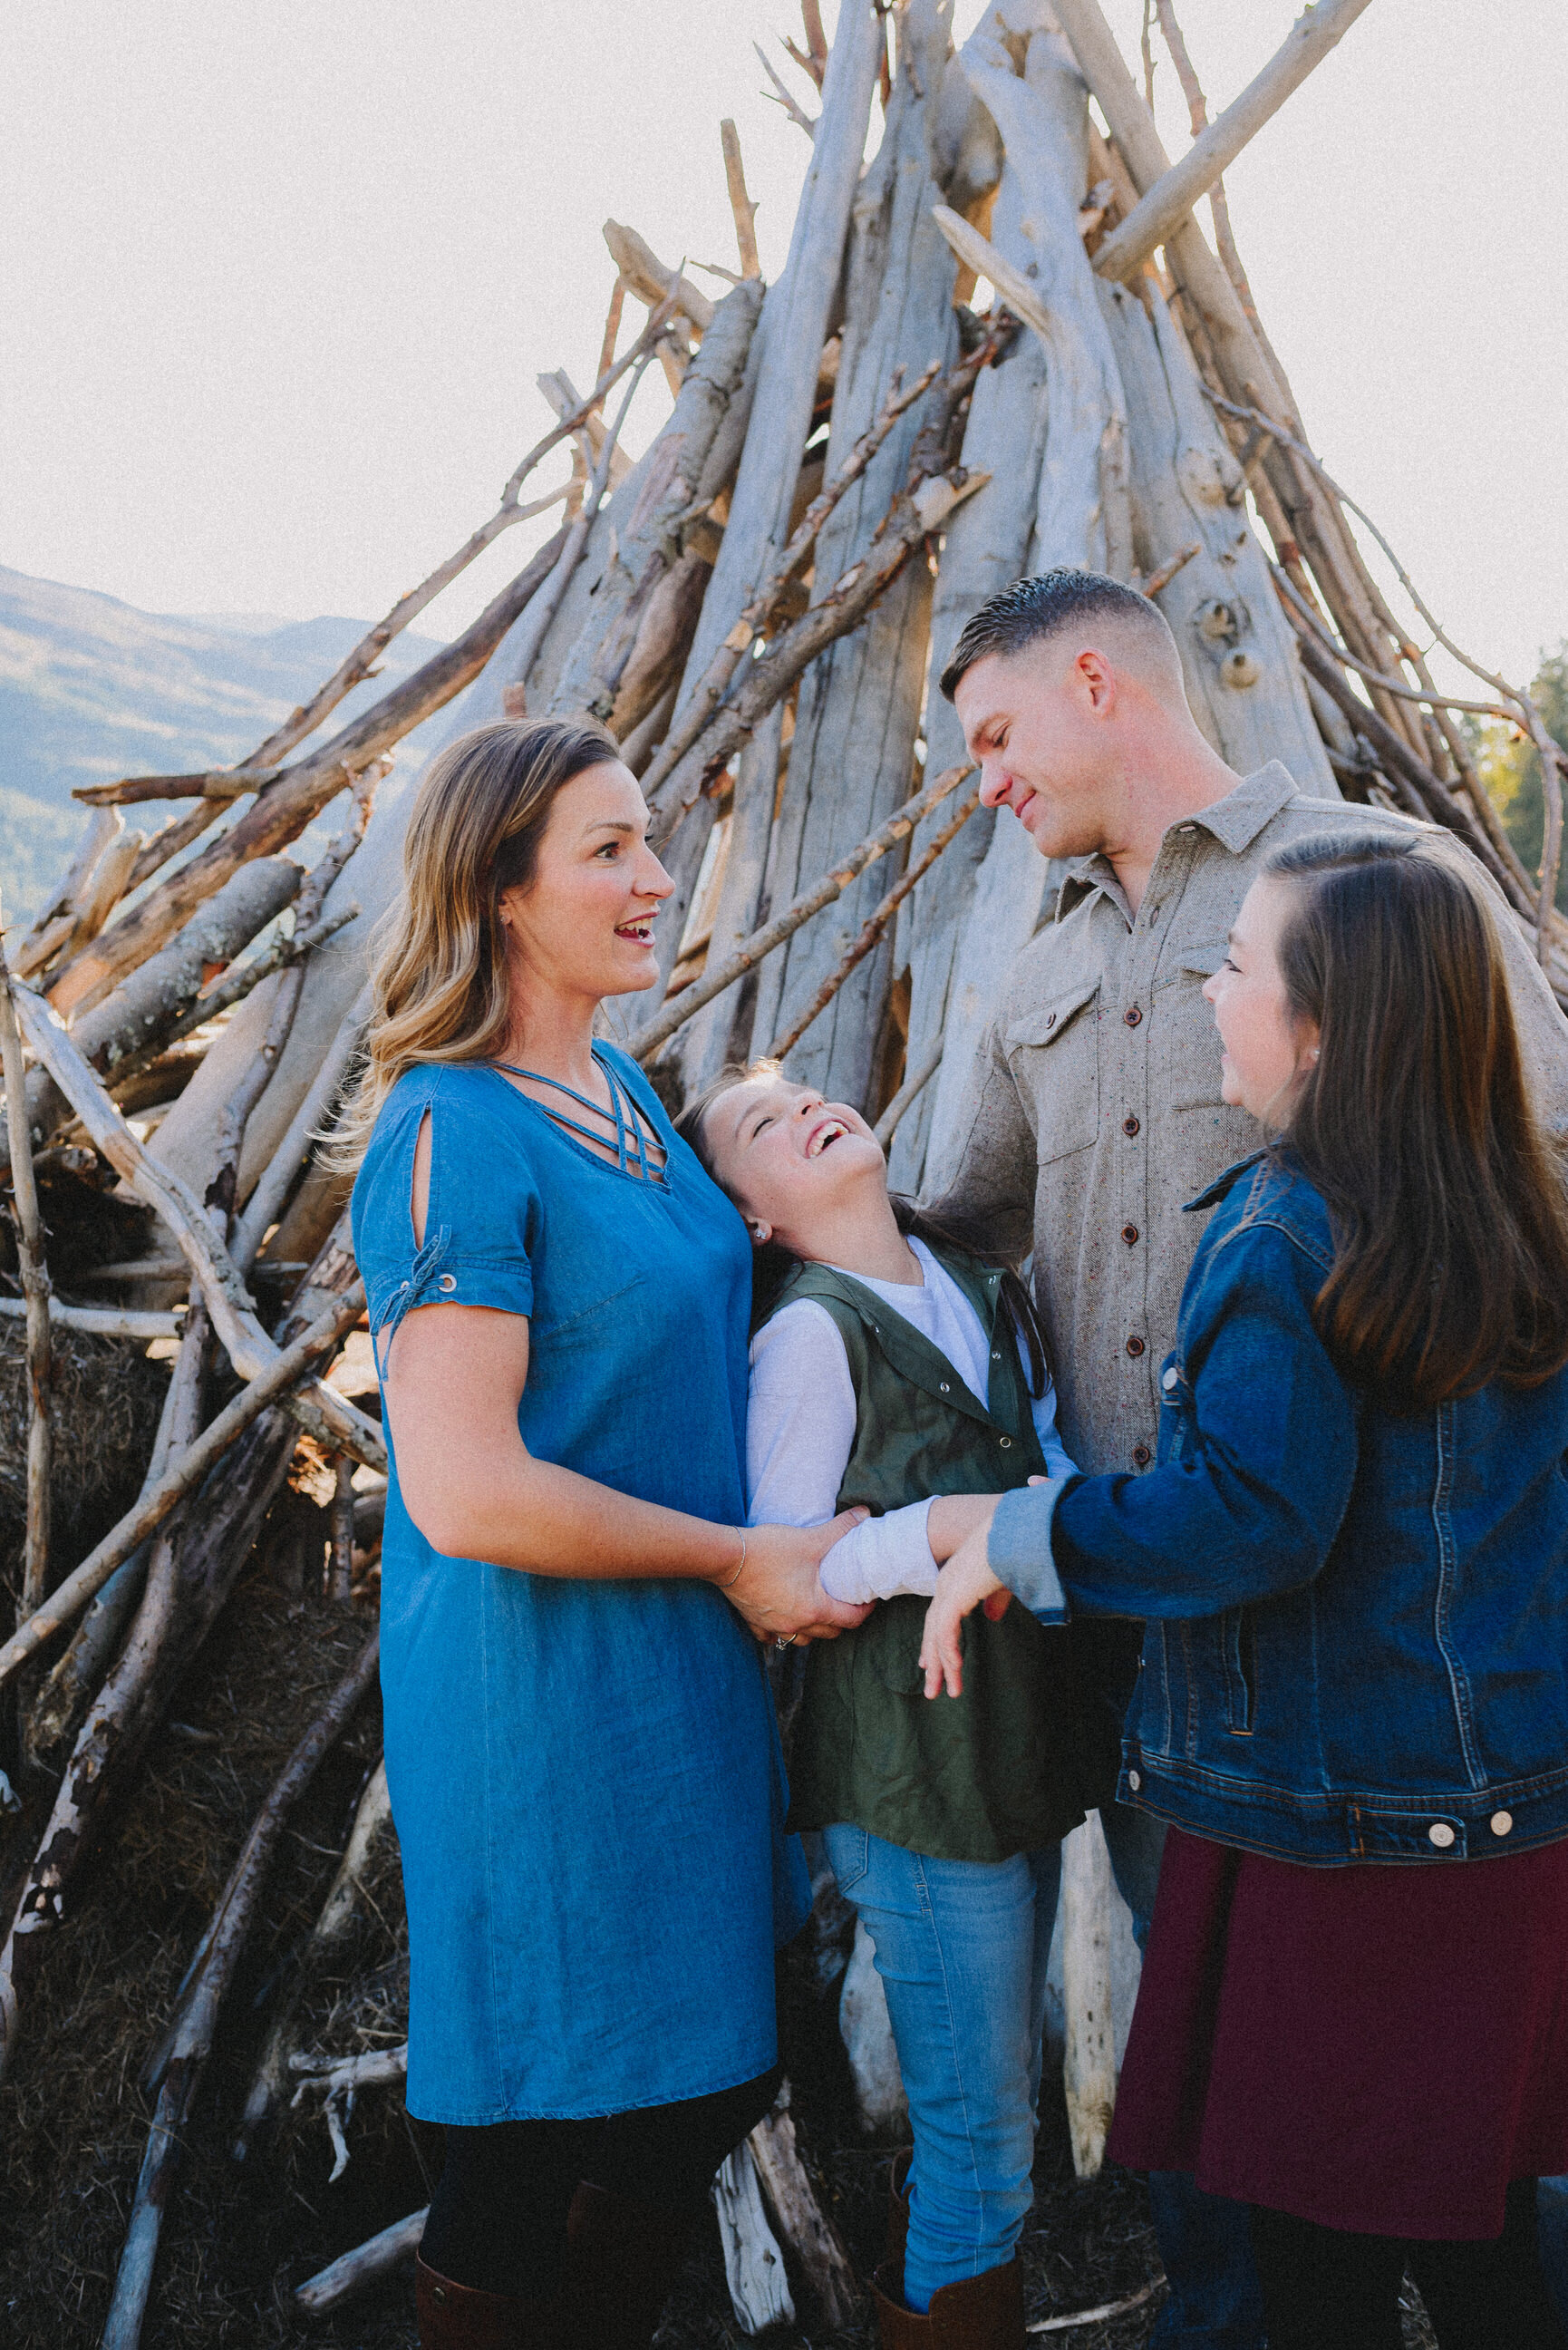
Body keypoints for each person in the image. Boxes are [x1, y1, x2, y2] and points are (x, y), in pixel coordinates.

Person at [924, 567, 1568, 2348]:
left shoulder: (1369, 888)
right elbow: (948, 1216)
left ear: (1092, 682)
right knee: (1230, 2127)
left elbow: (1537, 1162)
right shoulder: (1034, 964)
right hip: (1164, 1632)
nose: (982, 777)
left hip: (1387, 1642)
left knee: (1419, 2142)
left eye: (994, 732)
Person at [342, 718, 866, 2350]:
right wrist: (733, 1559)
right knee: (530, 2131)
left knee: (692, 2095)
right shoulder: (450, 1134)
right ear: (501, 891)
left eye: (651, 842)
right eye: (610, 851)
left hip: (675, 1682)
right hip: (537, 1700)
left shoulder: (623, 1090)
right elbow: (464, 1488)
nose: (656, 880)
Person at [678, 1060, 1113, 2347]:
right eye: (763, 1123)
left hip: (1010, 1746)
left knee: (986, 2124)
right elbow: (785, 1565)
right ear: (752, 1214)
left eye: (805, 1092)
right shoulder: (811, 1332)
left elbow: (1043, 1469)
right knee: (983, 2140)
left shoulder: (974, 1285)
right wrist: (950, 1533)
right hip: (913, 1780)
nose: (805, 1107)